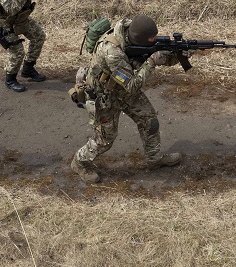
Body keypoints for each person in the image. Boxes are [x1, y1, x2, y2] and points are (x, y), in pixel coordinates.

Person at [70, 15, 182, 184]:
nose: (154, 41)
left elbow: (152, 54)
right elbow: (132, 85)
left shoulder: (131, 32)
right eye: (151, 40)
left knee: (149, 119)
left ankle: (154, 158)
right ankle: (80, 162)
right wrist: (152, 62)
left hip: (121, 89)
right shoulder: (112, 52)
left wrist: (177, 54)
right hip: (105, 96)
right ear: (140, 39)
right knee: (105, 139)